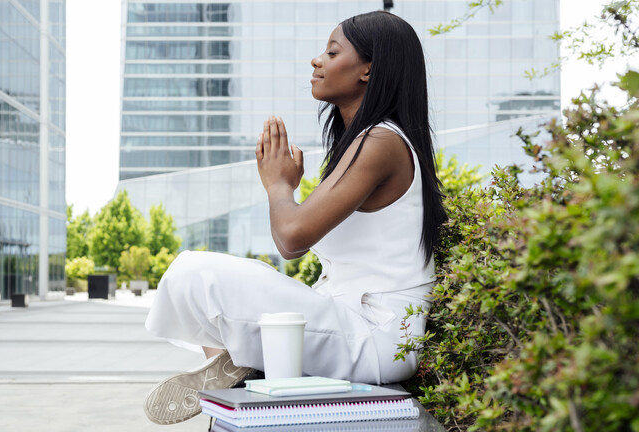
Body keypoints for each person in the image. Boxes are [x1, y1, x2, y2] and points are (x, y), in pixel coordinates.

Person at [143, 10, 446, 425]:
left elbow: (291, 238)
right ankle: (236, 362)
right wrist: (286, 189)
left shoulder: (381, 141)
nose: (316, 60)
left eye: (332, 52)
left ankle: (241, 361)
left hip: (375, 338)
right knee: (201, 285)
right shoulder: (365, 142)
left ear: (368, 70)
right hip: (349, 322)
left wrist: (279, 186)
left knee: (194, 274)